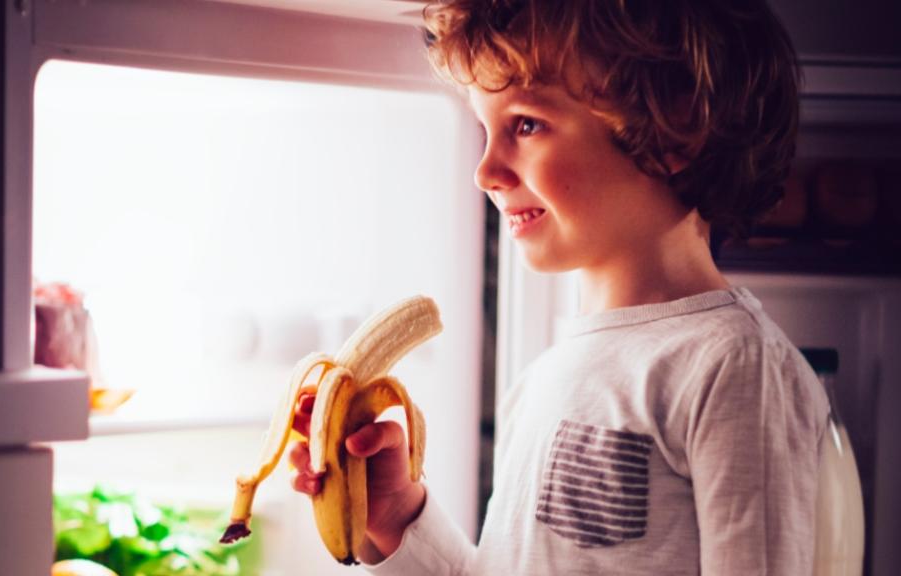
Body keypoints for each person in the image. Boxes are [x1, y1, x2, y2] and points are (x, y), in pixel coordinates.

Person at [290, 0, 829, 573]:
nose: (485, 171)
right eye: (484, 128)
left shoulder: (735, 366)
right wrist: (397, 514)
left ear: (676, 133)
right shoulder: (546, 375)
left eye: (525, 124)